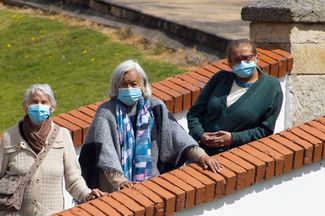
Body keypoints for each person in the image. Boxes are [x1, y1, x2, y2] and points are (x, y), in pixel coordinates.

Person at [79, 60, 221, 193]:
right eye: (123, 84)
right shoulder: (106, 112)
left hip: (151, 183)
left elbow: (178, 135)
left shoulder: (155, 106)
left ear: (142, 85)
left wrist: (201, 155)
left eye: (133, 84)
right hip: (115, 188)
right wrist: (120, 181)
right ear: (116, 87)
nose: (128, 88)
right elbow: (105, 152)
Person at [0, 84, 105, 216]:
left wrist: (87, 194)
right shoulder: (10, 136)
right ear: (25, 106)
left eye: (44, 102)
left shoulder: (62, 136)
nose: (39, 106)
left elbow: (73, 179)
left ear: (52, 108)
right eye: (34, 102)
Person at [187, 39, 283, 155]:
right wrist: (200, 135)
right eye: (237, 60)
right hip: (199, 152)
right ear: (229, 63)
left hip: (236, 157)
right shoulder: (220, 79)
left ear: (257, 57)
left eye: (247, 58)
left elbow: (265, 130)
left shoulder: (271, 87)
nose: (242, 63)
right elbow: (194, 113)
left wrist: (233, 138)